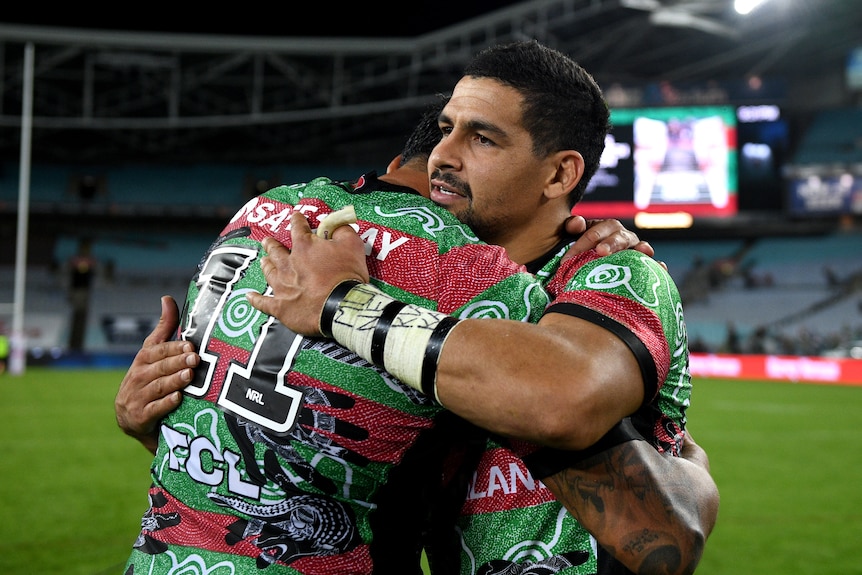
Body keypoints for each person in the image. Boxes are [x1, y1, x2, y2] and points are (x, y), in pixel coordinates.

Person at [120, 97, 673, 575]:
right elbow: (658, 535)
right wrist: (682, 449)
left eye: (481, 138)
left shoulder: (262, 212)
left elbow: (233, 443)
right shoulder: (472, 278)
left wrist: (145, 424)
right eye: (452, 134)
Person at [245, 40, 716, 574]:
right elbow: (311, 478)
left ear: (560, 175)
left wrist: (344, 304)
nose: (444, 155)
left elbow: (660, 536)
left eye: (482, 138)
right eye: (447, 129)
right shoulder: (418, 292)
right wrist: (156, 417)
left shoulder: (616, 273)